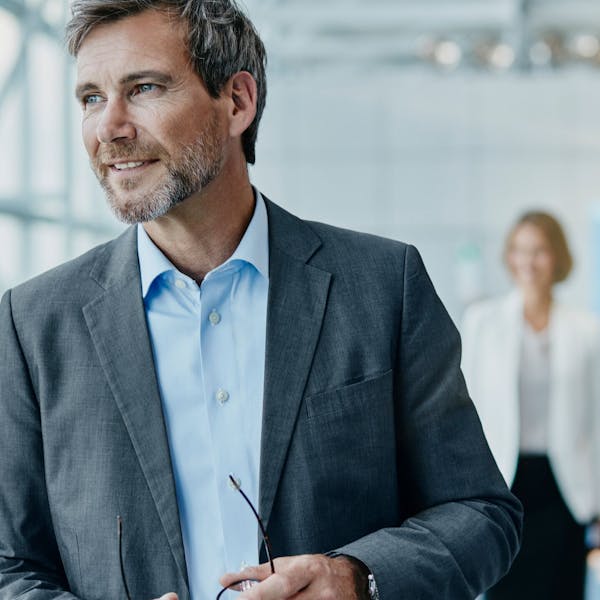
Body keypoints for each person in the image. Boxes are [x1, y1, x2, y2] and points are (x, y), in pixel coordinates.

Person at [0, 1, 522, 599]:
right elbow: (10, 565)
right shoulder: (32, 324)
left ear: (238, 102)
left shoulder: (382, 286)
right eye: (91, 98)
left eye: (143, 88)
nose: (109, 127)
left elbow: (481, 513)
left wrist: (358, 578)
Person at [461, 211, 600, 600]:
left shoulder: (587, 330)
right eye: (520, 250)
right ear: (508, 257)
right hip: (505, 482)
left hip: (565, 489)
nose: (528, 261)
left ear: (557, 257)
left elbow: (597, 419)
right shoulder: (483, 323)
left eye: (539, 251)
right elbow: (463, 412)